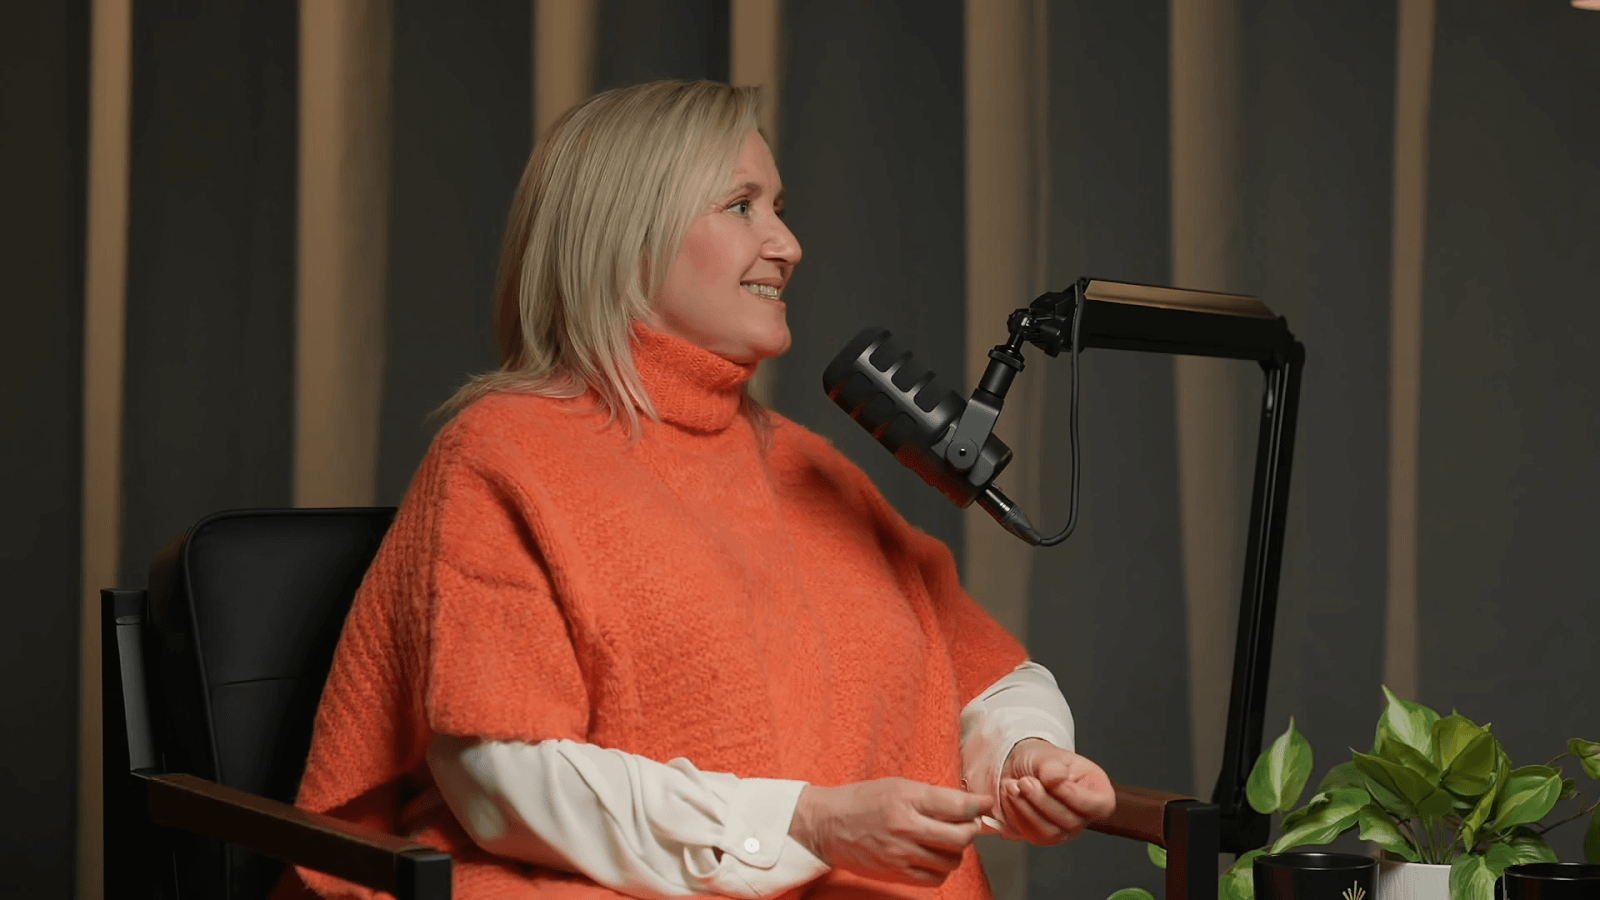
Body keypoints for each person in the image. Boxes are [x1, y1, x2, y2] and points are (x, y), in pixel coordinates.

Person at [283, 80, 1116, 900]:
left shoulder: (812, 467)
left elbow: (978, 672)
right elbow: (503, 784)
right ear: (624, 238)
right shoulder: (503, 452)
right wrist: (808, 823)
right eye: (741, 206)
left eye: (779, 207)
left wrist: (1024, 755)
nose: (787, 244)